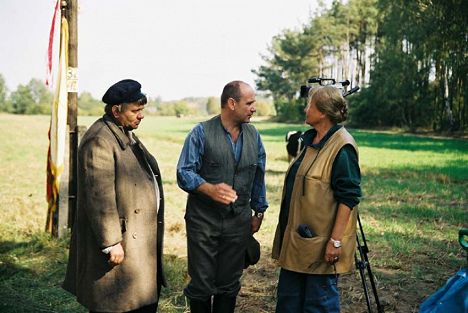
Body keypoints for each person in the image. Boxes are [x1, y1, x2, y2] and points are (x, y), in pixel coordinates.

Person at [62, 79, 166, 313]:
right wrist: (110, 243)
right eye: (135, 111)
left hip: (134, 241)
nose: (141, 116)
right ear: (116, 111)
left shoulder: (123, 132)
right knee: (114, 303)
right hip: (119, 245)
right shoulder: (100, 139)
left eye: (142, 110)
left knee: (137, 303)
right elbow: (99, 196)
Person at [176, 80, 268, 313]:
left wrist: (258, 212)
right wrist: (209, 189)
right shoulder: (201, 132)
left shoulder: (254, 135)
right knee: (202, 284)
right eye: (249, 103)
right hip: (203, 221)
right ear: (231, 103)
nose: (254, 108)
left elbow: (259, 175)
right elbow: (184, 172)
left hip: (239, 222)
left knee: (229, 284)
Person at [272, 86, 362, 312]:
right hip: (298, 241)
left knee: (319, 304)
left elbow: (349, 197)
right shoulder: (310, 142)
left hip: (321, 246)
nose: (305, 109)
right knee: (288, 303)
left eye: (309, 105)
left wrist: (335, 241)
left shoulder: (342, 147)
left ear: (322, 113)